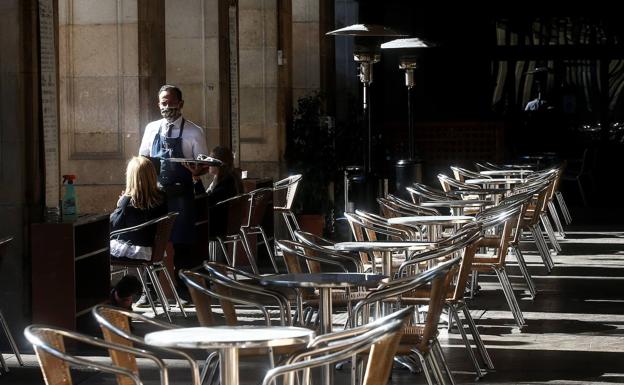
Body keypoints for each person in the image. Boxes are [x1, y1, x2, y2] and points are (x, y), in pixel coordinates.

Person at [138, 85, 209, 273]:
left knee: (181, 240)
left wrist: (196, 171)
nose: (167, 106)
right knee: (152, 240)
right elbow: (142, 160)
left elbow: (205, 166)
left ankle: (183, 284)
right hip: (155, 194)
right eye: (163, 103)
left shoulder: (194, 132)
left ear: (181, 103)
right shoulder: (151, 128)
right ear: (158, 104)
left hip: (181, 195)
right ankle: (152, 288)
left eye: (171, 102)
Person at [110, 156, 168, 260]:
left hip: (136, 250)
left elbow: (113, 225)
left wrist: (119, 204)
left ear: (131, 178)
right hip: (155, 249)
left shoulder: (128, 201)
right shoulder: (162, 197)